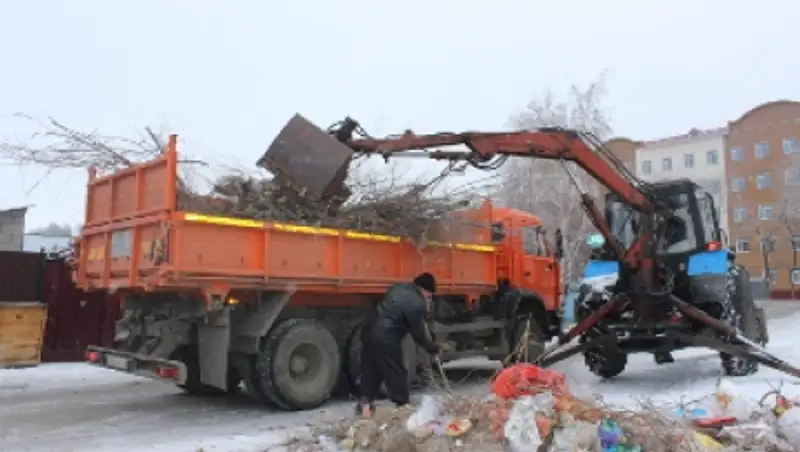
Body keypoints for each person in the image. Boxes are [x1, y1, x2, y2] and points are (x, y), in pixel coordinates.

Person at [356, 272, 440, 417]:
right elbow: (417, 332)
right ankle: (403, 406)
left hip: (368, 331)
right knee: (395, 371)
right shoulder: (417, 303)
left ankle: (365, 406)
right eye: (429, 296)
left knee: (371, 370)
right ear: (425, 290)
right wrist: (431, 347)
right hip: (387, 338)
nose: (429, 299)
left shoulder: (399, 288)